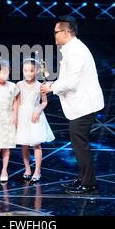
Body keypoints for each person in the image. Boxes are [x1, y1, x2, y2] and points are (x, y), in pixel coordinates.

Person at [41, 15, 104, 195]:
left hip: (84, 105)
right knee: (78, 144)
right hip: (81, 104)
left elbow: (72, 82)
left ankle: (89, 183)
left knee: (80, 144)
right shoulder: (71, 49)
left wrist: (51, 87)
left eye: (56, 32)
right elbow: (68, 79)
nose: (54, 35)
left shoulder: (75, 51)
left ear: (66, 32)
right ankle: (83, 178)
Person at [16, 58, 55, 182]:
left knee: (36, 144)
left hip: (35, 116)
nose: (28, 73)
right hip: (22, 116)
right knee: (24, 144)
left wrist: (38, 110)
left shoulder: (40, 85)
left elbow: (44, 102)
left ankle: (37, 170)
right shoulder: (19, 85)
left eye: (31, 71)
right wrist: (15, 117)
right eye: (25, 70)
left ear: (36, 71)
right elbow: (16, 103)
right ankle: (27, 169)